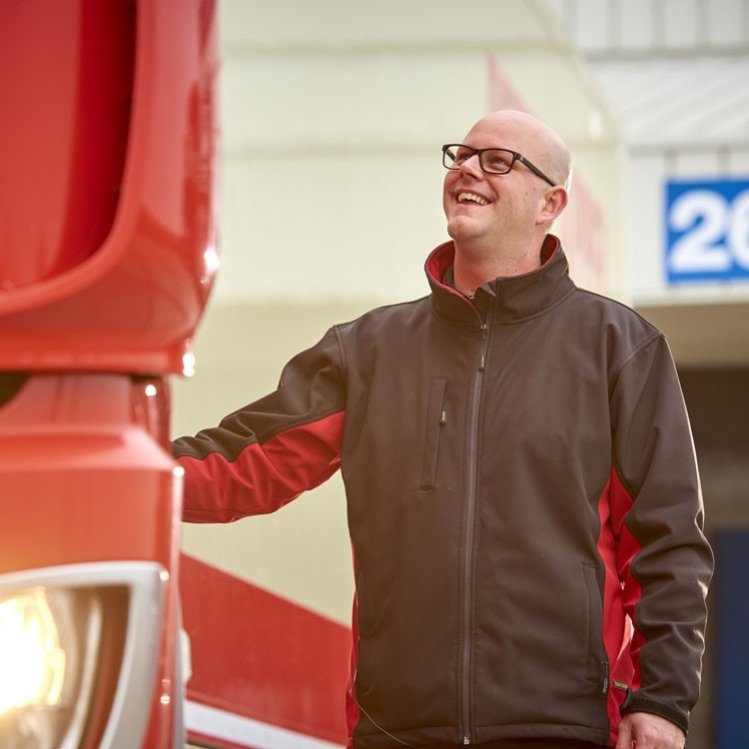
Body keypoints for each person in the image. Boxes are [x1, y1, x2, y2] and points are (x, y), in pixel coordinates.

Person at [173, 110, 713, 749]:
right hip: (397, 730)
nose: (467, 169)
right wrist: (117, 474)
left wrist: (661, 702)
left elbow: (668, 543)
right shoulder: (368, 351)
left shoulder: (618, 348)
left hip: (562, 730)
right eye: (462, 155)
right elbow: (242, 465)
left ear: (550, 204)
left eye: (497, 161)